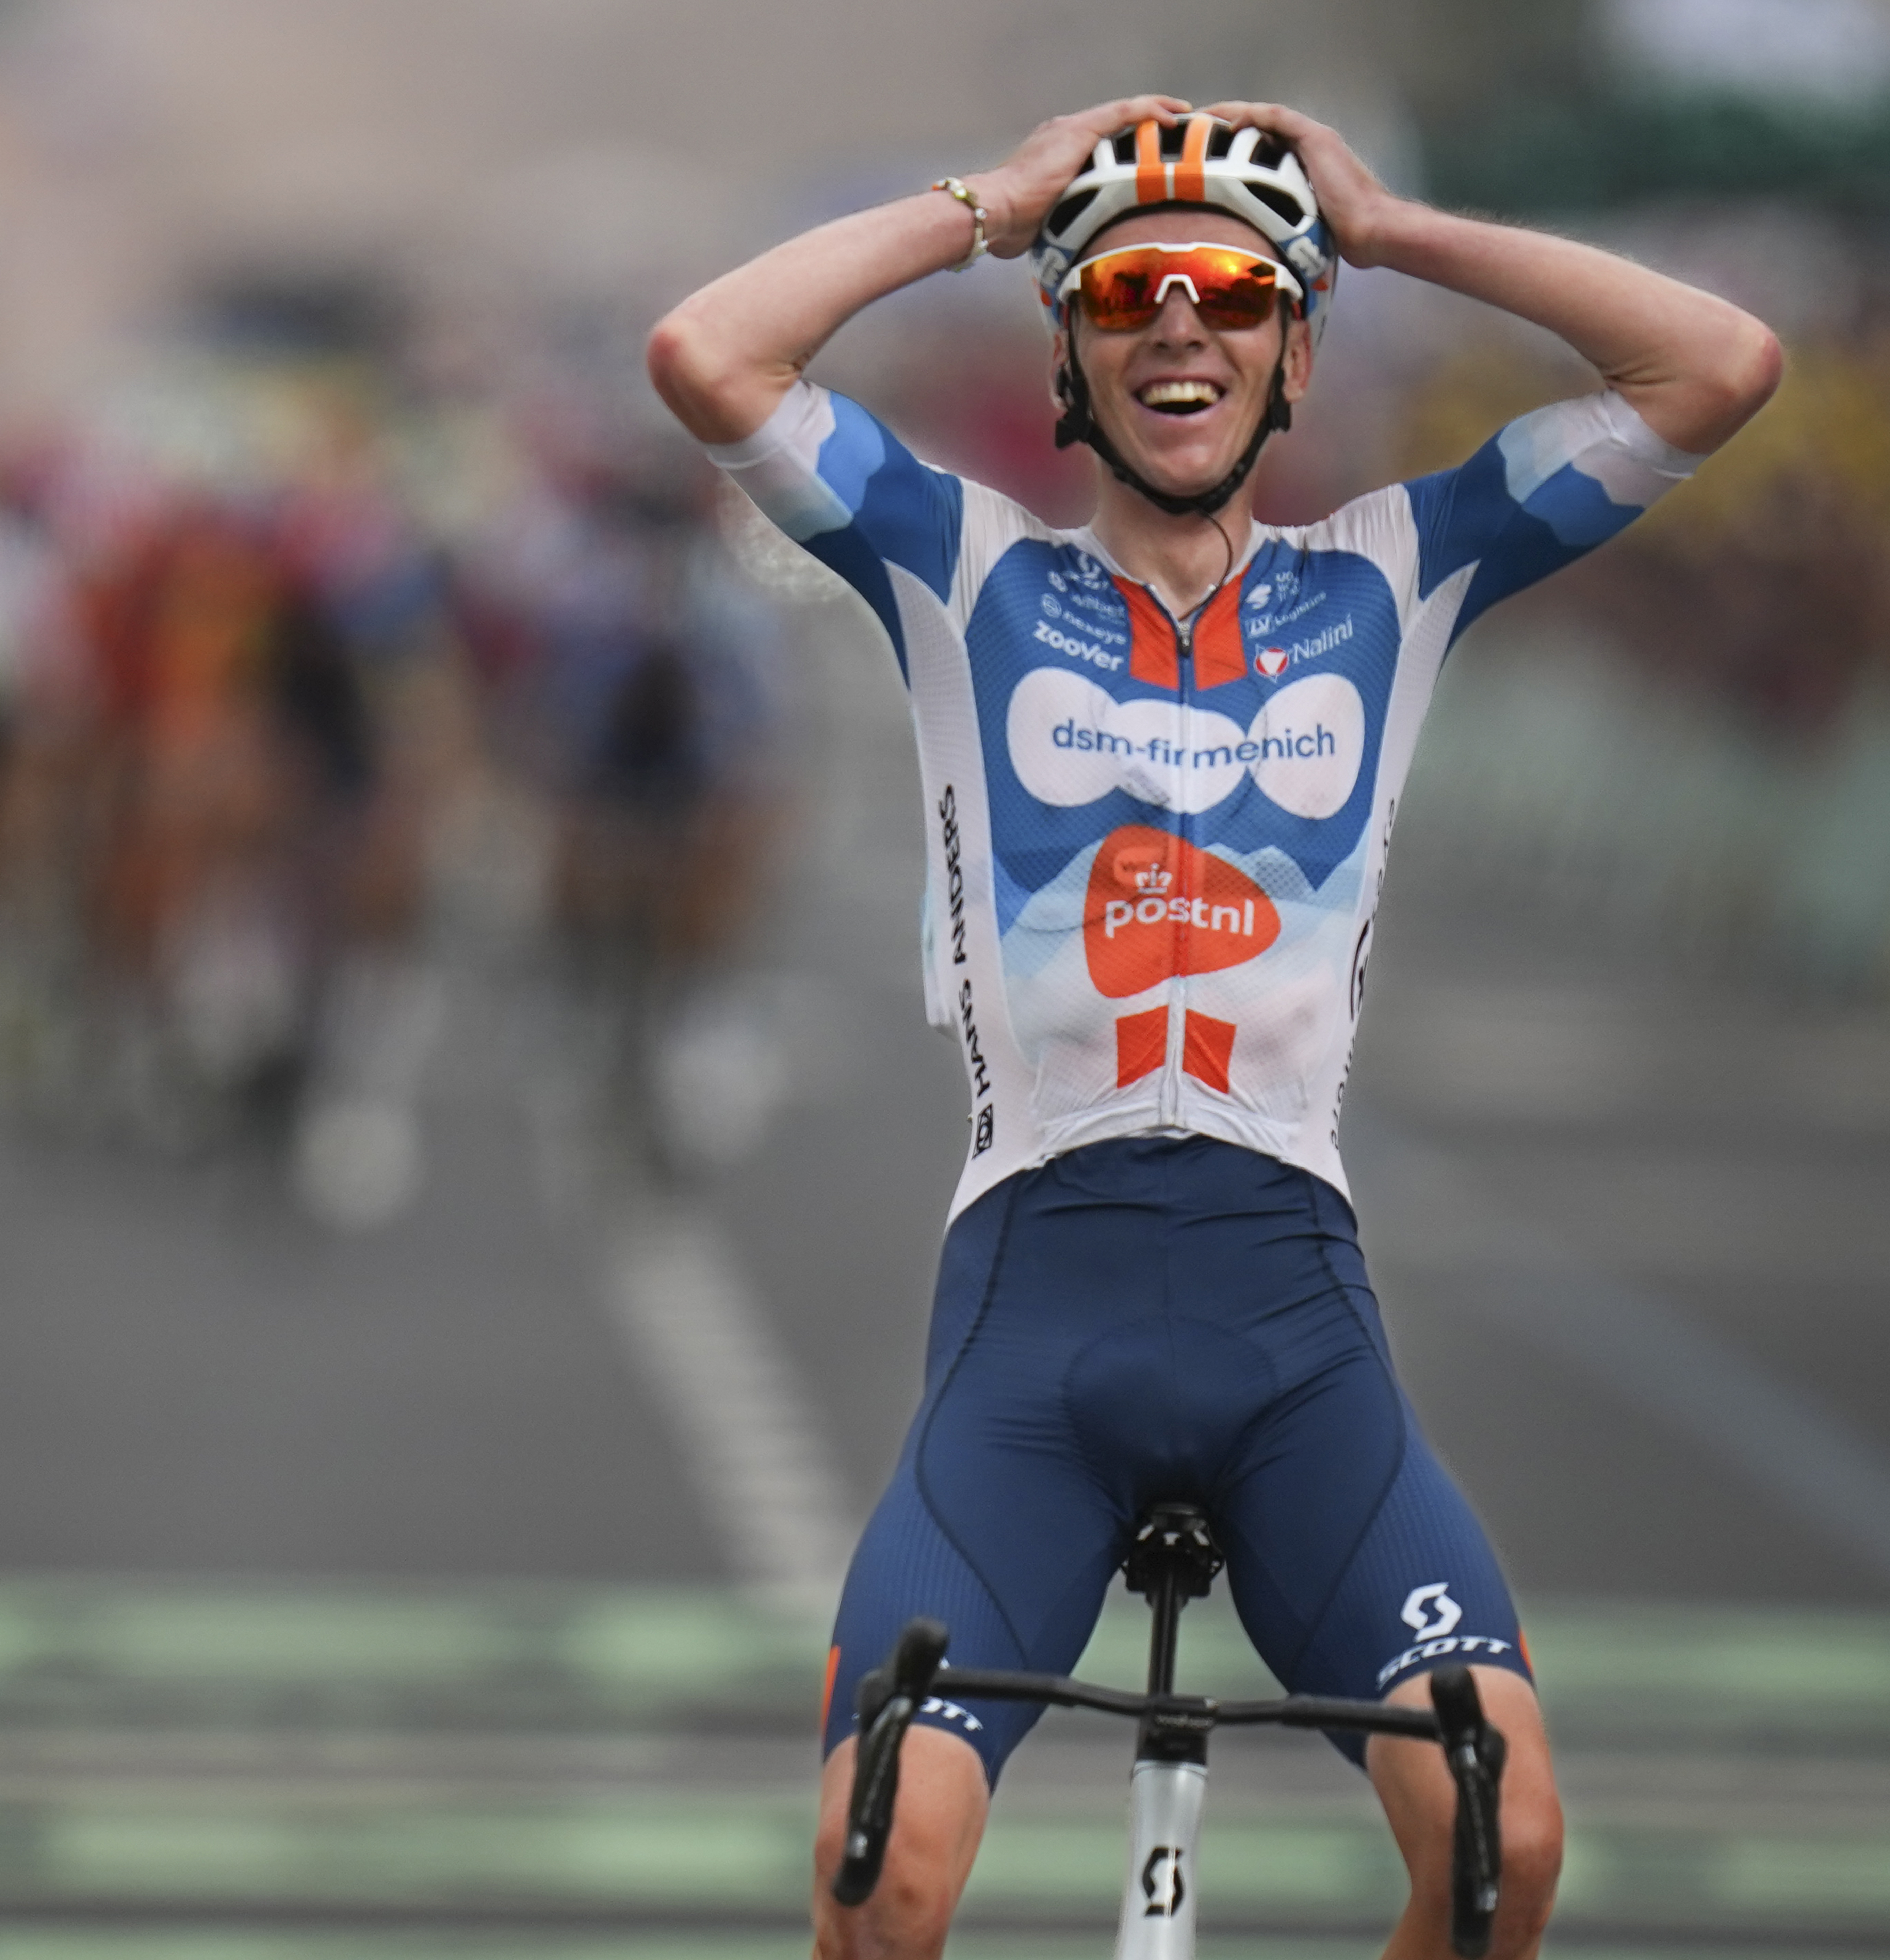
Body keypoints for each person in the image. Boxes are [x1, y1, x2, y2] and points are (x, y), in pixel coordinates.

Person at [647, 99, 1778, 1960]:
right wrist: (987, 207)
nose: (1184, 326)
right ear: (1074, 362)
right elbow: (710, 355)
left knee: (1509, 1850)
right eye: (1132, 298)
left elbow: (1719, 361)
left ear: (1294, 353)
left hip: (1294, 1335)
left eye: (1238, 298)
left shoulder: (1399, 578)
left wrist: (1397, 226)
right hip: (1036, 1328)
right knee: (884, 1876)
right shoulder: (965, 571)